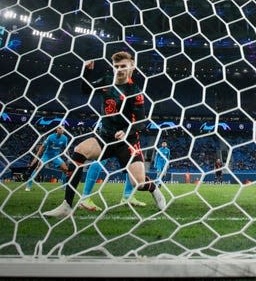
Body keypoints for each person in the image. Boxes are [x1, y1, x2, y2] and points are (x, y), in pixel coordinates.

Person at [43, 52, 166, 218]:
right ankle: (66, 205)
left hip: (127, 142)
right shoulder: (107, 81)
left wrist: (126, 131)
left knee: (138, 184)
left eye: (123, 66)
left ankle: (154, 189)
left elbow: (141, 121)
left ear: (132, 67)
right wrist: (86, 71)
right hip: (104, 137)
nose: (119, 69)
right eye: (116, 66)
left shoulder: (135, 92)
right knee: (79, 151)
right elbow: (85, 89)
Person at [78, 158, 147, 211]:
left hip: (123, 141)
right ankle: (85, 198)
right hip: (114, 140)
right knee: (101, 160)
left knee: (131, 160)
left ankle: (127, 196)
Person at [25, 126, 70, 191]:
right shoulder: (50, 137)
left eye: (63, 128)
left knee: (65, 169)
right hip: (47, 155)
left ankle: (63, 186)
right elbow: (42, 147)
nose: (62, 129)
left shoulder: (65, 138)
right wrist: (36, 157)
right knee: (38, 168)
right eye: (60, 128)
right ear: (56, 129)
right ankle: (28, 185)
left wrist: (69, 158)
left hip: (56, 156)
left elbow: (66, 149)